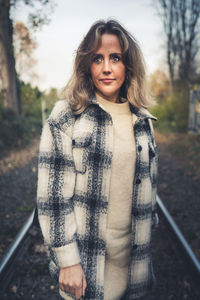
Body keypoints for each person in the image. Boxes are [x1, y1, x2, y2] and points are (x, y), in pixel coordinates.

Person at [36, 19, 159, 300]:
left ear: (128, 65)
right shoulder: (65, 117)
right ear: (86, 65)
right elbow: (52, 199)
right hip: (86, 268)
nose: (106, 67)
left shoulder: (143, 120)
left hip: (133, 266)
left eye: (115, 58)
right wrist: (67, 260)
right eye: (97, 59)